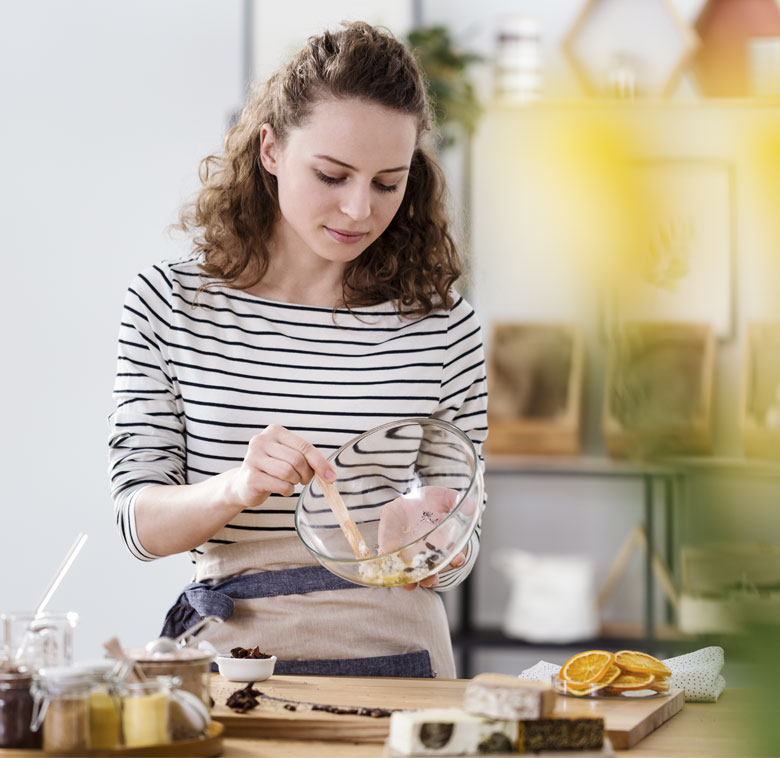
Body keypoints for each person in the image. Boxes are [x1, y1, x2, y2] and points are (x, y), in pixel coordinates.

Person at [108, 20, 487, 679]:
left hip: (404, 660)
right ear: (271, 150)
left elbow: (461, 525)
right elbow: (138, 526)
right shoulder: (169, 305)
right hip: (234, 666)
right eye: (332, 174)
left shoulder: (442, 326)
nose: (358, 209)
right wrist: (237, 487)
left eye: (387, 182)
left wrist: (440, 539)